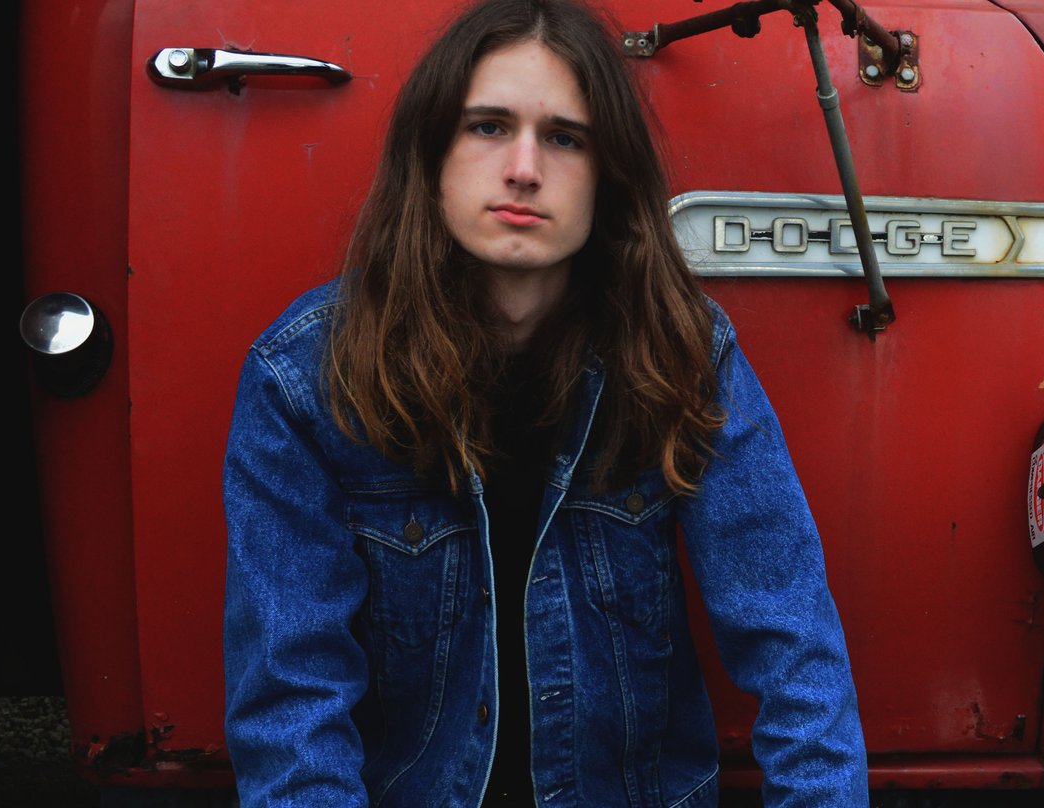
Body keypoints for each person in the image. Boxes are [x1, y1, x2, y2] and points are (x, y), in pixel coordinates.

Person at [220, 0, 868, 805]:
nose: (524, 167)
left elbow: (791, 641)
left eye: (564, 137)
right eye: (488, 127)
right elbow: (293, 703)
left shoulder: (679, 353)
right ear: (433, 155)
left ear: (609, 175)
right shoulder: (307, 379)